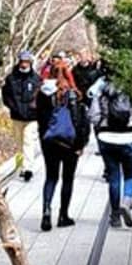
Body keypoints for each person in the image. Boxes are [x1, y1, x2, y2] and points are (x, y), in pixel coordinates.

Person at [36, 62, 90, 231]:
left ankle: (46, 211)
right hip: (69, 143)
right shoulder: (73, 94)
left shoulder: (42, 93)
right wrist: (81, 144)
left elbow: (39, 118)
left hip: (49, 141)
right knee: (67, 178)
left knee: (51, 177)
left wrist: (43, 138)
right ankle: (63, 215)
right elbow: (80, 121)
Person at [88, 77, 132, 228]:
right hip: (129, 138)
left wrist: (102, 125)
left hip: (106, 138)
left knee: (114, 177)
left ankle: (115, 216)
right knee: (130, 174)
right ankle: (126, 201)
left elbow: (93, 116)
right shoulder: (131, 90)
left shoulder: (101, 89)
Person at [2, 51, 41, 182]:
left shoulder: (36, 79)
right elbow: (6, 96)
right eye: (22, 61)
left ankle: (27, 169)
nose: (24, 64)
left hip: (32, 117)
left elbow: (40, 97)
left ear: (30, 62)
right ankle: (20, 166)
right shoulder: (11, 78)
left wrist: (36, 108)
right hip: (16, 116)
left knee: (28, 141)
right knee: (19, 143)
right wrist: (13, 107)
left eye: (27, 61)